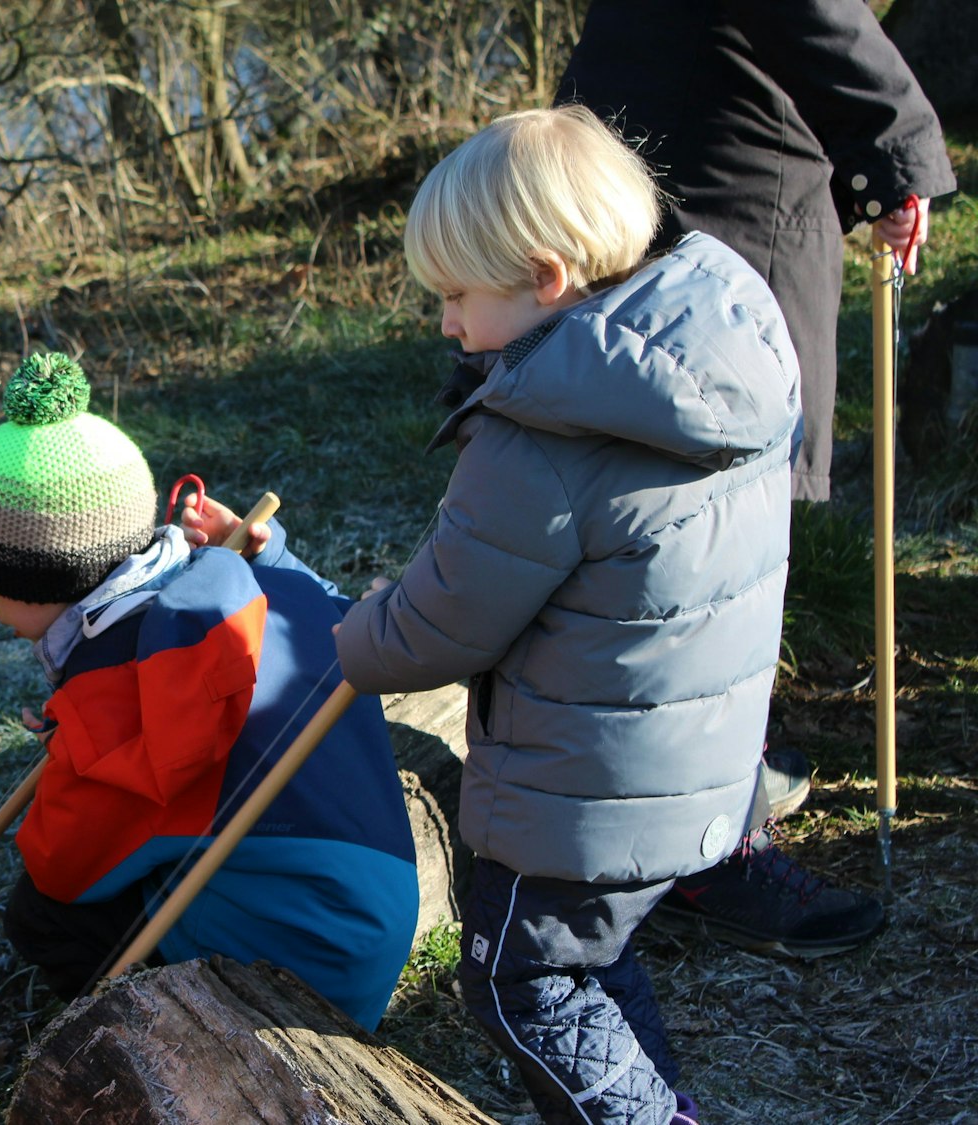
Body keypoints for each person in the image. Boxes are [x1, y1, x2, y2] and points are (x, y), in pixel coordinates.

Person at [334, 106, 797, 1124]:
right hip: (690, 773)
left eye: (456, 297)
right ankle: (655, 1098)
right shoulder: (721, 343)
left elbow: (442, 622)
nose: (446, 324)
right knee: (590, 956)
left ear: (545, 279)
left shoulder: (540, 434)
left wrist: (349, 641)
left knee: (517, 984)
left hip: (566, 804)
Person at [554, 0, 952, 959]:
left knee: (654, 528)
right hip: (705, 208)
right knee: (701, 539)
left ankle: (677, 805)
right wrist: (898, 147)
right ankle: (704, 846)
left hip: (654, 182)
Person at [0, 352, 421, 1029]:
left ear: (53, 576)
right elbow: (329, 600)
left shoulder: (121, 688)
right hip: (366, 919)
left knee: (41, 917)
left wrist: (78, 748)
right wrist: (268, 553)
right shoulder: (271, 584)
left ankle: (159, 1043)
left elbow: (62, 866)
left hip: (297, 974)